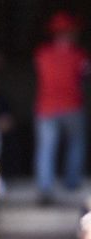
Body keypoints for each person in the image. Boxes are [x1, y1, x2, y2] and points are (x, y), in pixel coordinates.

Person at [35, 12, 89, 203]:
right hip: (72, 106)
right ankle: (72, 181)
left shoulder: (42, 54)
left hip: (47, 108)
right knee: (77, 142)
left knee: (46, 149)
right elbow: (85, 76)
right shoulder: (79, 55)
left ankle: (45, 188)